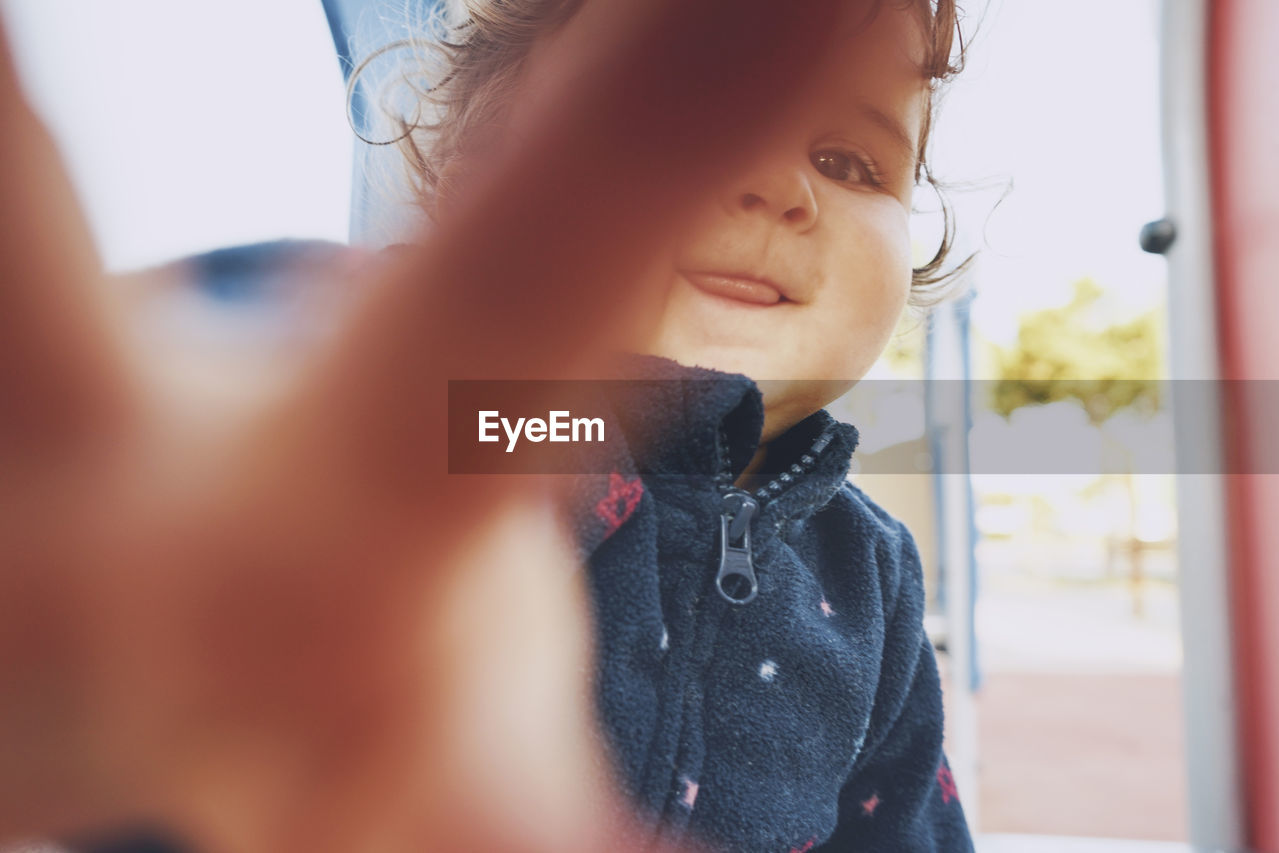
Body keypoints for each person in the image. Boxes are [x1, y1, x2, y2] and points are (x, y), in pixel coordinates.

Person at [0, 0, 972, 851]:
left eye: (848, 161)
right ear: (479, 188)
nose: (777, 186)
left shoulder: (870, 575)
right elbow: (288, 396)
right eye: (672, 136)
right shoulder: (469, 437)